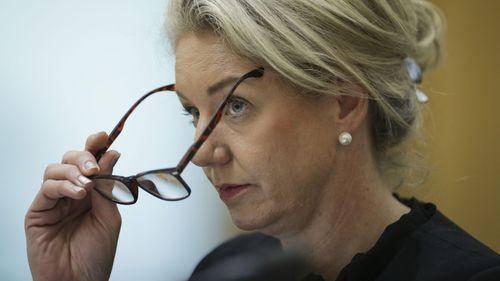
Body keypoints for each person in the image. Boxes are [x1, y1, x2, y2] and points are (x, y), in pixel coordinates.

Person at [25, 0, 500, 280]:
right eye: (193, 112)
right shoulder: (222, 270)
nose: (203, 154)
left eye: (235, 105)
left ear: (345, 101)